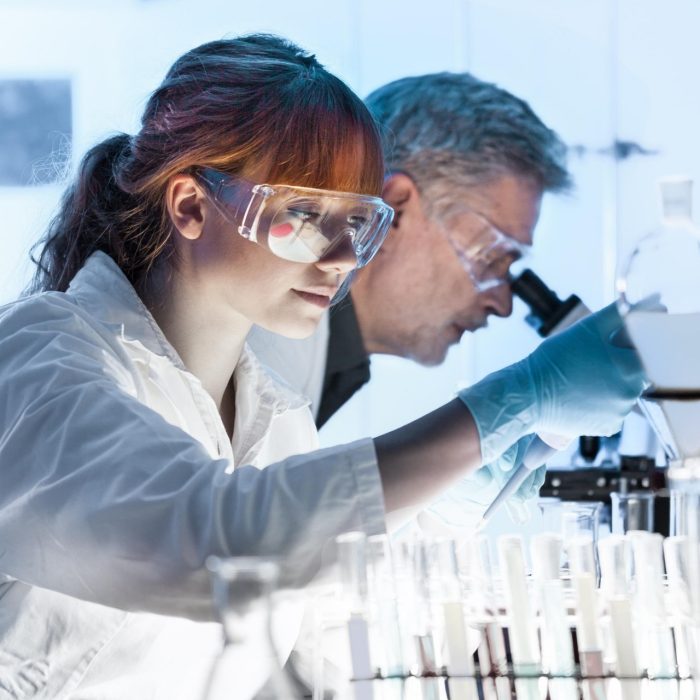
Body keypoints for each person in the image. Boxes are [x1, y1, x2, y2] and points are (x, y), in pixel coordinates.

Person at [0, 35, 641, 699]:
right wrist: (504, 404)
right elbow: (218, 545)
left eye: (358, 221)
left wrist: (442, 513)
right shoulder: (37, 359)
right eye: (303, 213)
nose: (340, 257)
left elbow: (310, 633)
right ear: (191, 206)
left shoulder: (275, 415)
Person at [247, 72, 576, 525]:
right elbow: (247, 538)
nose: (502, 303)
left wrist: (428, 502)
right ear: (394, 210)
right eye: (492, 258)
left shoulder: (325, 353)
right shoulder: (264, 337)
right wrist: (496, 415)